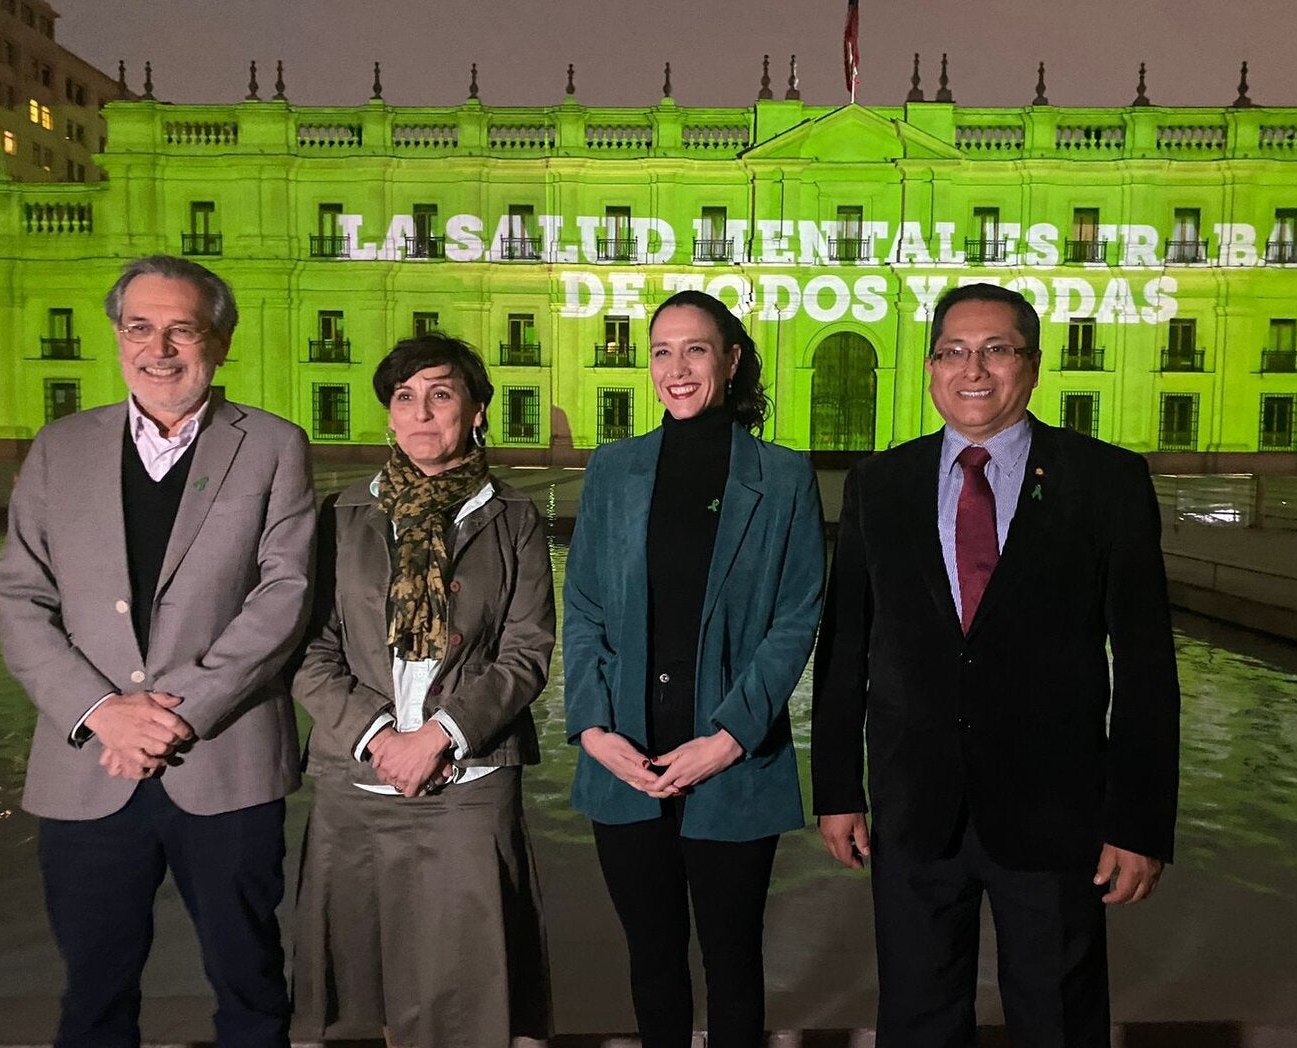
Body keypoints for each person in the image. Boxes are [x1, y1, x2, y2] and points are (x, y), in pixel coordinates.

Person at [812, 282, 1181, 1047]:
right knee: (916, 1020)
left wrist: (1139, 823)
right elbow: (845, 649)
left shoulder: (1106, 481)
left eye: (996, 350)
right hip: (915, 812)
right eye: (953, 351)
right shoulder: (879, 485)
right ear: (930, 368)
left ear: (1032, 365)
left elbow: (1146, 665)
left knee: (1058, 1022)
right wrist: (838, 791)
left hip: (1056, 816)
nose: (972, 368)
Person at [0, 255, 315, 1048]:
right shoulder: (59, 448)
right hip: (88, 764)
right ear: (117, 336)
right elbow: (20, 598)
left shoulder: (274, 445)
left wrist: (179, 713)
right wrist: (102, 711)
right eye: (140, 327)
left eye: (182, 329)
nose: (159, 349)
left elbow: (286, 595)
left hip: (226, 761)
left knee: (251, 985)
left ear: (221, 342)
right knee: (92, 994)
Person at [564, 289, 826, 1048]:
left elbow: (796, 618)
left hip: (732, 765)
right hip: (626, 762)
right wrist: (592, 728)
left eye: (695, 350)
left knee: (734, 965)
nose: (676, 369)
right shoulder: (614, 468)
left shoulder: (783, 476)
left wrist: (730, 738)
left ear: (732, 360)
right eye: (661, 352)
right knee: (651, 961)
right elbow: (581, 607)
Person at [291, 333, 554, 1048]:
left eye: (441, 394)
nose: (421, 412)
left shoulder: (514, 518)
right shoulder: (341, 515)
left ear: (476, 410)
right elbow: (311, 650)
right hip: (356, 782)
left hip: (468, 784)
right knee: (358, 984)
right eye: (404, 397)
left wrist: (440, 735)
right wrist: (380, 738)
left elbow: (527, 654)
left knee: (467, 992)